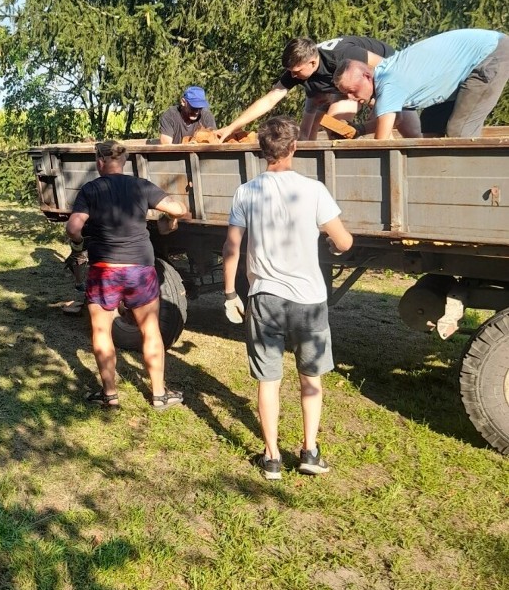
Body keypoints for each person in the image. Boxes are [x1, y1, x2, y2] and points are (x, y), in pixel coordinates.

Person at [222, 116, 353, 480]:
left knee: (269, 379)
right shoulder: (314, 190)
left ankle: (272, 457)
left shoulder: (246, 192)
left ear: (261, 150)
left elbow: (232, 246)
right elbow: (343, 241)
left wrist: (230, 291)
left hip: (264, 297)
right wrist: (330, 242)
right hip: (309, 301)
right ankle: (309, 451)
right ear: (293, 148)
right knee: (310, 378)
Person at [66, 140, 189, 409]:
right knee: (150, 330)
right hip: (140, 270)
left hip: (104, 271)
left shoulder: (90, 189)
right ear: (124, 162)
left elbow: (74, 226)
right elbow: (178, 209)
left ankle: (109, 394)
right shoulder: (140, 186)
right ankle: (158, 394)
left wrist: (78, 245)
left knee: (101, 330)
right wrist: (172, 219)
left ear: (99, 161)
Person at [218, 36, 421, 140]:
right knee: (330, 128)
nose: (293, 77)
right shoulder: (300, 71)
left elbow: (386, 73)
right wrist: (231, 127)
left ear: (313, 63)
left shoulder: (343, 56)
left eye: (297, 72)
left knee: (408, 130)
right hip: (331, 87)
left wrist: (381, 110)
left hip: (379, 73)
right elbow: (270, 99)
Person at [334, 28, 509, 140]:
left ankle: (471, 191)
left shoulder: (389, 83)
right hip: (475, 59)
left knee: (460, 132)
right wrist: (359, 130)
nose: (351, 98)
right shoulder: (385, 73)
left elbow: (381, 141)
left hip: (489, 55)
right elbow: (398, 119)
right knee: (430, 124)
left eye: (352, 90)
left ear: (366, 76)